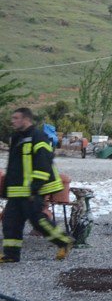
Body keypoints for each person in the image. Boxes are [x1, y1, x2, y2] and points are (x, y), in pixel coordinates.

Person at [0, 107, 73, 263]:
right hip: (17, 190)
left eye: (16, 118)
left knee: (38, 221)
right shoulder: (17, 137)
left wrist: (35, 188)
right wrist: (7, 188)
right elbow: (13, 165)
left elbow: (43, 164)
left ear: (26, 119)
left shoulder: (38, 137)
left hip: (32, 190)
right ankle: (11, 255)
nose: (12, 121)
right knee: (10, 222)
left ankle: (64, 241)